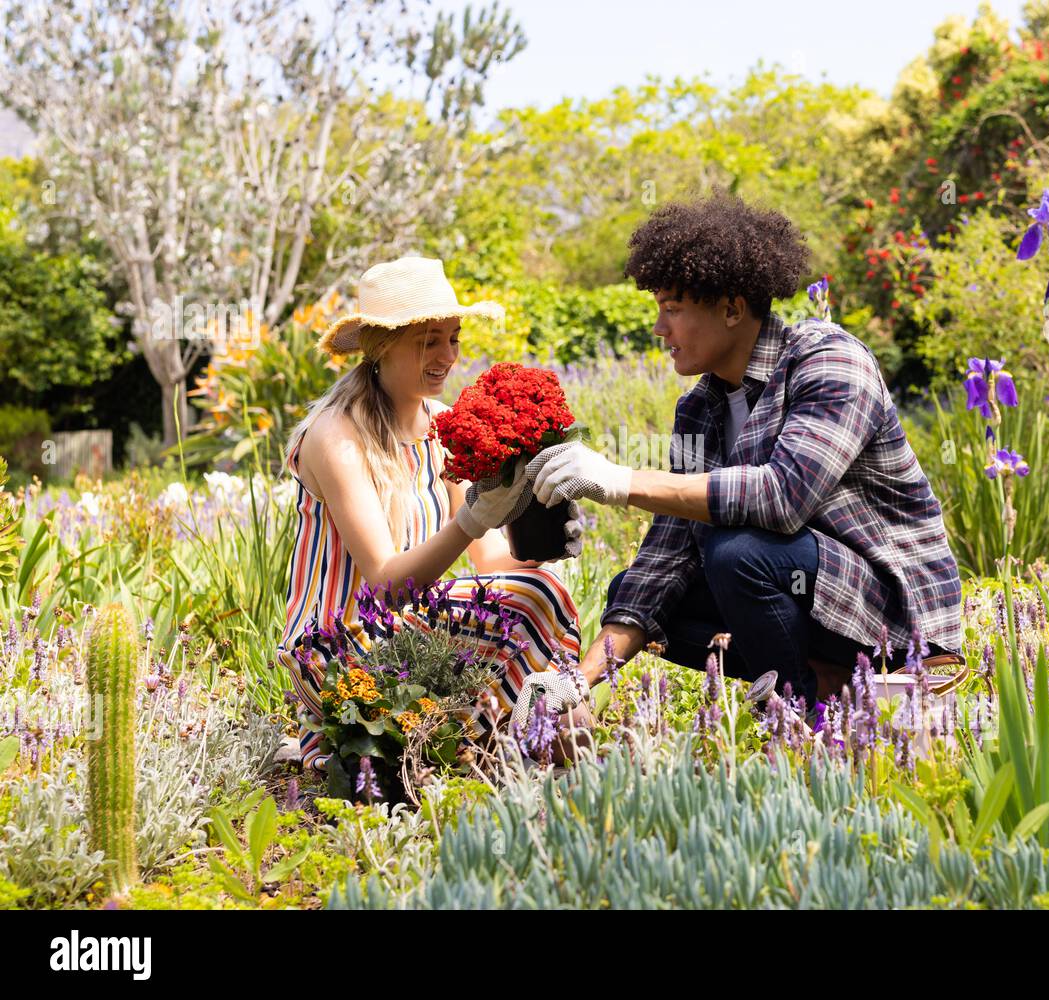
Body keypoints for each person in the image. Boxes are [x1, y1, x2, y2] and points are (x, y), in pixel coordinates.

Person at [527, 194, 964, 710]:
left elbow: (782, 497)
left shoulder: (829, 361)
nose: (658, 328)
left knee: (736, 552)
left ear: (733, 308)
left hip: (890, 613)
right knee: (641, 593)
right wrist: (577, 681)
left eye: (673, 309)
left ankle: (804, 716)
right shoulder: (699, 410)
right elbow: (666, 557)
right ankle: (828, 683)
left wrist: (621, 482)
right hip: (806, 598)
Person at [272, 256, 585, 776]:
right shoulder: (336, 437)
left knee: (543, 587)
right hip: (342, 644)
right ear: (381, 346)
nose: (447, 355)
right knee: (538, 600)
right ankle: (524, 743)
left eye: (453, 338)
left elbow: (488, 561)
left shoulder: (442, 425)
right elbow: (385, 586)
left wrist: (541, 537)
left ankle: (507, 739)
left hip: (410, 632)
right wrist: (475, 520)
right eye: (429, 341)